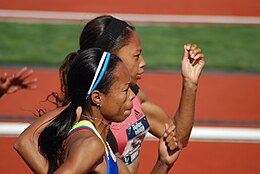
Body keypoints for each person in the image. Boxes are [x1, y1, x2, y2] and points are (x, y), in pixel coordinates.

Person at [14, 15, 204, 173]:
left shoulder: (132, 99)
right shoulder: (87, 124)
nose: (143, 62)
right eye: (136, 56)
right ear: (110, 58)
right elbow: (25, 142)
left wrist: (190, 83)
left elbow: (176, 139)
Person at [16, 48, 180, 173]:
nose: (133, 96)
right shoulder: (91, 145)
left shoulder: (104, 143)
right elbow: (23, 142)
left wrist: (163, 163)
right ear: (97, 97)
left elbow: (24, 141)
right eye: (125, 90)